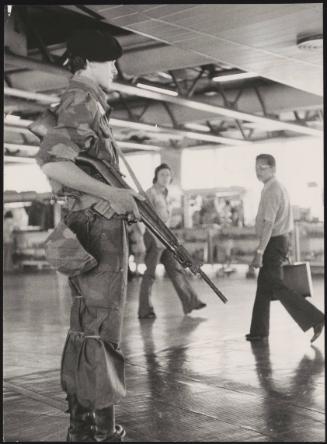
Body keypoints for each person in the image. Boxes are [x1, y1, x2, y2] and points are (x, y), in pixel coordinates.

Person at [36, 29, 144, 442]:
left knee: (85, 326)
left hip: (86, 225)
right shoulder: (83, 99)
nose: (116, 68)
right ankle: (102, 429)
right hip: (98, 228)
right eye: (110, 61)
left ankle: (81, 423)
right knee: (103, 328)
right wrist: (113, 193)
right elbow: (53, 165)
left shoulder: (86, 101)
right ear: (89, 62)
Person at [246, 154, 324, 344]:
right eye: (256, 167)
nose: (258, 171)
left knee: (276, 285)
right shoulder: (272, 187)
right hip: (278, 241)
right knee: (264, 287)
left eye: (262, 167)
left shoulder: (273, 190)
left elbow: (269, 224)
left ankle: (316, 318)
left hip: (274, 242)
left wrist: (259, 253)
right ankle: (259, 331)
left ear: (273, 169)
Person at [138, 163, 206, 319]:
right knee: (150, 275)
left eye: (168, 175)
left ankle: (191, 302)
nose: (166, 178)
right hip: (153, 238)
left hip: (166, 239)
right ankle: (144, 310)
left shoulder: (165, 194)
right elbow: (145, 217)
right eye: (162, 174)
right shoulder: (150, 194)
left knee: (176, 271)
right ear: (156, 176)